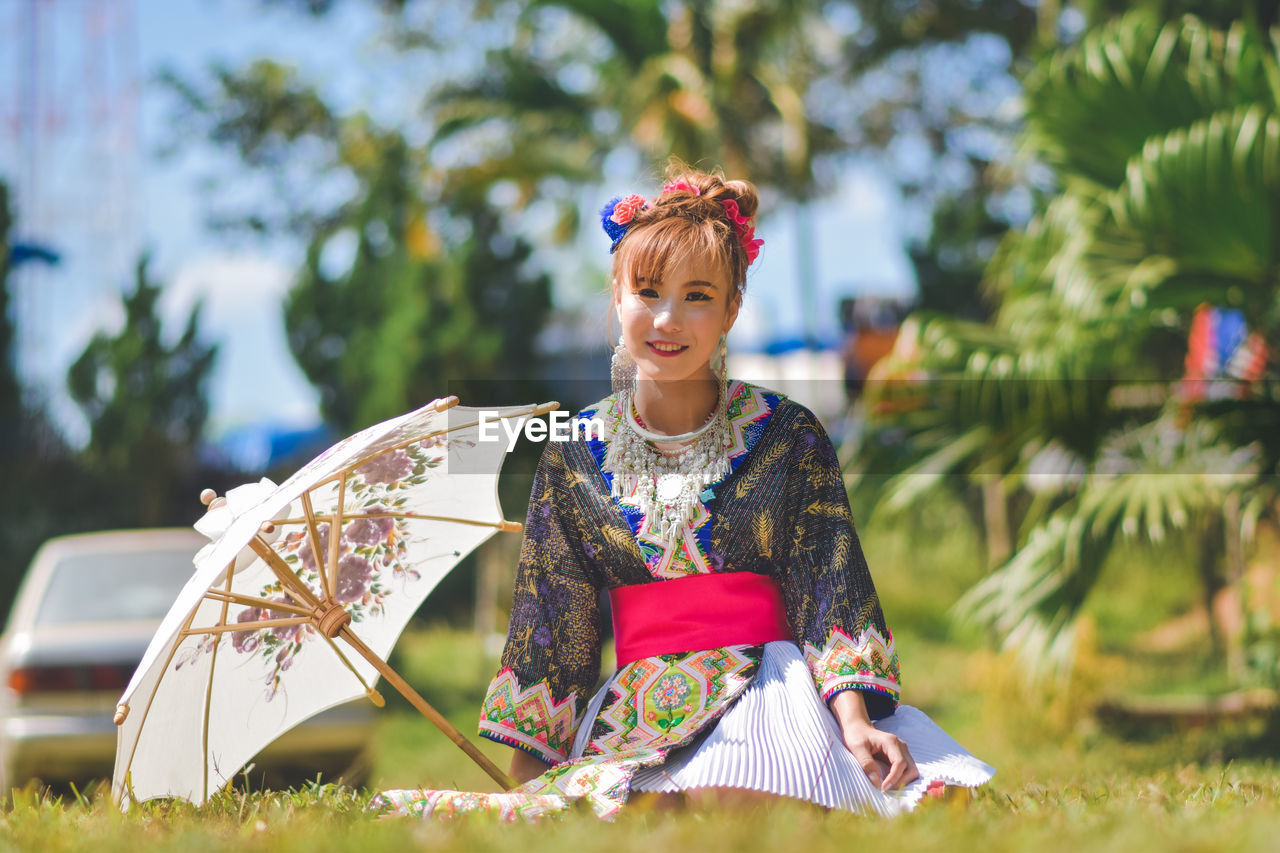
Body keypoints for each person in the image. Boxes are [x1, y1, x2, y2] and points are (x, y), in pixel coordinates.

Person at [371, 165, 995, 822]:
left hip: (770, 690)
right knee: (650, 807)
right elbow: (554, 626)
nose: (668, 318)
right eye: (647, 291)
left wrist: (855, 719)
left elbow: (828, 587)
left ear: (730, 309)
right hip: (636, 709)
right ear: (617, 297)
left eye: (698, 295)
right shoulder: (572, 451)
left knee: (752, 797)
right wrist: (526, 786)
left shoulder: (787, 434)